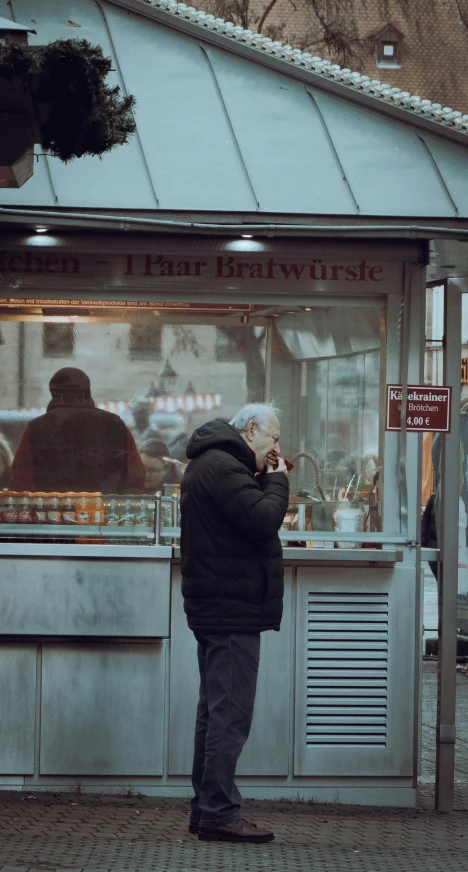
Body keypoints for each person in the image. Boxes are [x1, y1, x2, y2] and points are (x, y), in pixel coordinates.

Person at [180, 402, 289, 843]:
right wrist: (279, 481)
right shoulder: (223, 467)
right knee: (230, 714)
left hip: (219, 604)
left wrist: (265, 476)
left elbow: (240, 517)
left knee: (215, 712)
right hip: (230, 608)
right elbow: (263, 519)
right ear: (250, 430)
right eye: (274, 438)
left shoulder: (215, 463)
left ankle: (205, 808)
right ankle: (219, 812)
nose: (277, 447)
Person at [9, 367, 145, 493]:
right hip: (105, 510)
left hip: (52, 512)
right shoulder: (115, 424)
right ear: (87, 391)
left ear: (54, 393)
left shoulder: (36, 427)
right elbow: (135, 474)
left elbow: (21, 478)